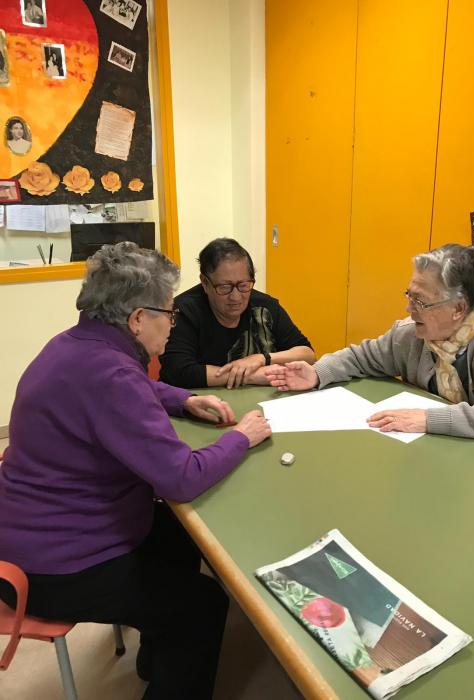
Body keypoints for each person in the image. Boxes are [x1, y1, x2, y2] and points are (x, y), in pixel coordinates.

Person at [0, 242, 271, 700]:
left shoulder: (75, 345)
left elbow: (135, 387)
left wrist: (183, 399)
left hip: (31, 536)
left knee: (179, 537)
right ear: (138, 319)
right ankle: (168, 664)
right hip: (56, 568)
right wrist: (241, 437)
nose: (173, 322)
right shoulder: (111, 375)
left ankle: (157, 659)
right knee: (202, 606)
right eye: (169, 312)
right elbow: (181, 477)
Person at [266, 243, 474, 441]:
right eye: (409, 296)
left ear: (458, 308)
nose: (408, 309)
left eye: (420, 301)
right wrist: (317, 373)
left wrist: (429, 419)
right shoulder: (410, 334)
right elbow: (361, 357)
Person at [159, 237, 316, 389]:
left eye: (243, 285)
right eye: (225, 287)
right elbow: (178, 371)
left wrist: (262, 358)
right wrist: (251, 376)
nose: (235, 297)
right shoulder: (182, 311)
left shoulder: (265, 307)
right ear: (205, 283)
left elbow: (307, 354)